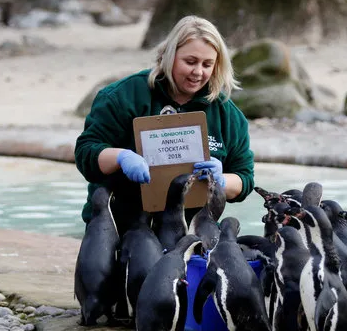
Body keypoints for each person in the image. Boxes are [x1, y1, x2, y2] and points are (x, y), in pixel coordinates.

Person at [75, 15, 255, 234]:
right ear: (169, 56)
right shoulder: (122, 96)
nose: (198, 72)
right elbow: (86, 153)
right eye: (190, 62)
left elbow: (244, 179)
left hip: (190, 230)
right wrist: (121, 157)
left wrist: (221, 180)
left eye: (207, 64)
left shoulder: (227, 114)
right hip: (119, 224)